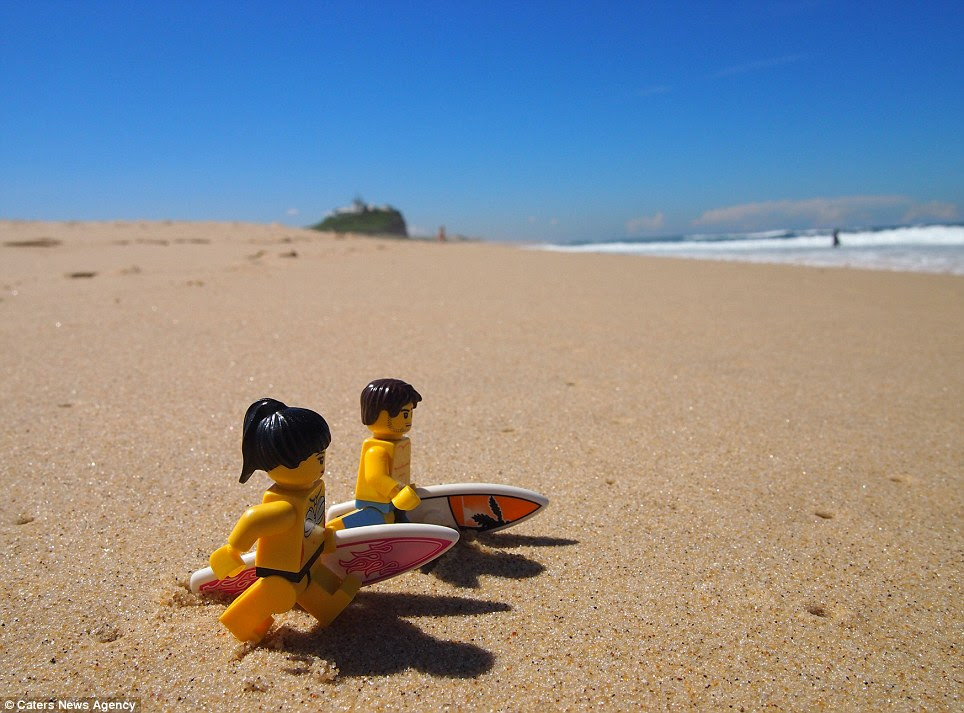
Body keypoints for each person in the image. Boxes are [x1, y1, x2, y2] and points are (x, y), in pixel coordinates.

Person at [208, 398, 359, 643]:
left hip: (306, 561)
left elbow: (312, 521)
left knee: (312, 581)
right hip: (283, 574)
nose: (323, 466)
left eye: (323, 457)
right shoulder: (285, 507)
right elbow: (252, 520)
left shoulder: (311, 490)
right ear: (288, 463)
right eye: (318, 458)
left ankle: (329, 606)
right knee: (274, 595)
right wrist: (232, 549)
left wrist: (323, 536)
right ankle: (239, 621)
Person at [335, 379, 423, 528]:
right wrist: (397, 491)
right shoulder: (377, 449)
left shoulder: (401, 443)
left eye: (410, 413)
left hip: (396, 500)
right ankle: (334, 532)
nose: (408, 420)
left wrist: (406, 487)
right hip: (377, 502)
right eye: (404, 414)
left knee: (398, 516)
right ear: (376, 415)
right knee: (376, 518)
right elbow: (375, 476)